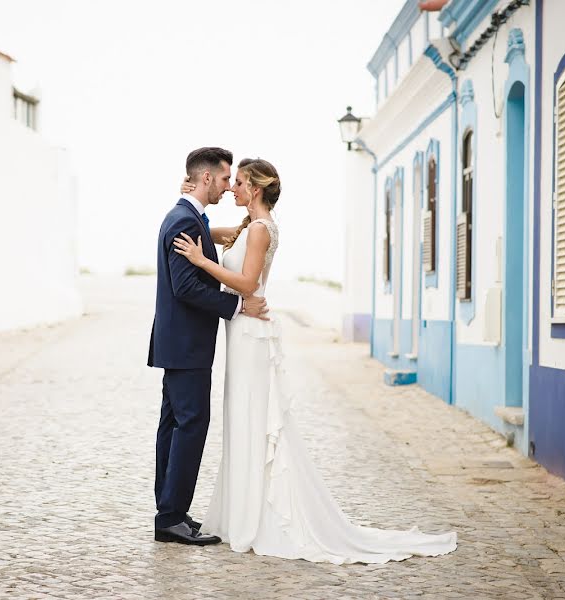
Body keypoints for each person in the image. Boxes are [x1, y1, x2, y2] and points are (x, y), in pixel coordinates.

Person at [172, 157, 458, 564]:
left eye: (237, 182)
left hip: (251, 334)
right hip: (242, 333)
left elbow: (248, 283)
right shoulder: (246, 228)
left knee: (253, 418)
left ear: (254, 188)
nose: (231, 188)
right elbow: (207, 232)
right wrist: (192, 207)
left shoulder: (258, 230)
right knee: (241, 419)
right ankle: (241, 511)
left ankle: (257, 515)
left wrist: (202, 263)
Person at [148, 147, 269, 546]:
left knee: (174, 426)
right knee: (190, 425)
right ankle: (171, 517)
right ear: (204, 179)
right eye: (222, 179)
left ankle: (170, 511)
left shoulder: (188, 216)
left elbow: (209, 244)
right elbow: (185, 287)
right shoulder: (185, 220)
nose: (225, 185)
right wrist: (237, 305)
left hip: (179, 343)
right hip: (186, 345)